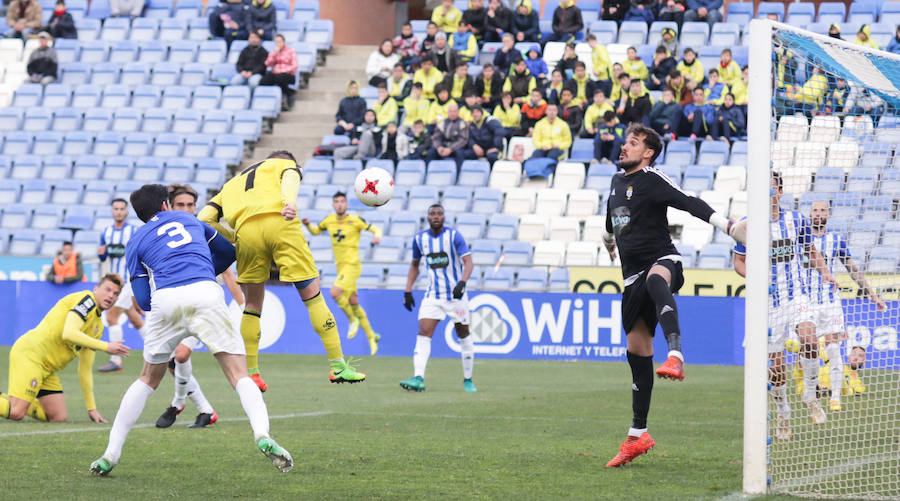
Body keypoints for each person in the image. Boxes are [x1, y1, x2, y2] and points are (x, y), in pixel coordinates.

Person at [90, 184, 292, 476]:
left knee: (147, 379)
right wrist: (200, 269)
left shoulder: (135, 241)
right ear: (165, 205)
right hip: (204, 291)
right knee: (238, 375)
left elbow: (144, 301)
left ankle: (110, 454)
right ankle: (262, 434)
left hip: (167, 300)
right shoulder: (189, 220)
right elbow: (227, 252)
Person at [603, 124, 745, 467]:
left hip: (665, 261)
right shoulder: (616, 183)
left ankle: (677, 354)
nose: (625, 147)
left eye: (633, 143)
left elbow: (687, 201)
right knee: (637, 353)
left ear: (648, 152)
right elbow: (614, 221)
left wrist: (727, 226)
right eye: (626, 141)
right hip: (629, 278)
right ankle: (637, 435)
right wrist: (608, 240)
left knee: (656, 280)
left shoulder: (652, 178)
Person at [198, 151, 366, 390]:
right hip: (280, 223)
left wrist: (235, 236)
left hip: (246, 232)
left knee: (252, 306)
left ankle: (253, 373)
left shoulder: (231, 184)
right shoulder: (285, 164)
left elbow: (204, 218)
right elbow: (289, 176)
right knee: (313, 297)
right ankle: (338, 367)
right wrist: (289, 203)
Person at [732, 172, 835, 440]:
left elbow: (811, 251)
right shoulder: (747, 225)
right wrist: (756, 277)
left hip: (796, 296)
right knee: (776, 368)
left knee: (810, 340)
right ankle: (783, 413)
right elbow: (739, 263)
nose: (769, 193)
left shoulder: (797, 220)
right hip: (768, 304)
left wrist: (825, 272)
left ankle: (811, 395)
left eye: (772, 188)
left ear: (780, 191)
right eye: (763, 188)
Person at [155, 184, 244, 429]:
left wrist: (245, 306)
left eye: (191, 205)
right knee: (172, 362)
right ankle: (205, 411)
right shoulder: (164, 234)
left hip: (205, 307)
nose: (186, 209)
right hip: (176, 305)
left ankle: (177, 403)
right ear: (169, 206)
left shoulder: (201, 231)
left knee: (181, 355)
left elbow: (227, 272)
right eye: (180, 205)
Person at [1, 275, 130, 423]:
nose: (110, 296)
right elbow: (69, 333)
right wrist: (106, 346)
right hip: (31, 355)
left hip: (47, 369)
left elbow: (85, 370)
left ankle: (13, 401)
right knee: (17, 413)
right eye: (107, 290)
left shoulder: (97, 327)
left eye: (115, 294)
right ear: (96, 289)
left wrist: (91, 408)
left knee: (58, 417)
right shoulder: (87, 300)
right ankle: (17, 403)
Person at [801, 201, 885, 412]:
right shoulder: (801, 239)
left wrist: (872, 295)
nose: (818, 214)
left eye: (822, 210)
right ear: (809, 214)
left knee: (833, 349)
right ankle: (811, 389)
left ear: (828, 214)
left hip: (831, 303)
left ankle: (835, 397)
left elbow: (853, 270)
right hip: (806, 302)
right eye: (815, 210)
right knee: (806, 347)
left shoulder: (836, 240)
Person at [400, 204, 476, 393]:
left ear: (444, 217)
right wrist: (408, 290)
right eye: (432, 214)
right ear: (427, 218)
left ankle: (468, 379)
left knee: (463, 334)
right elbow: (414, 266)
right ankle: (418, 378)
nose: (436, 216)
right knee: (423, 332)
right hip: (433, 295)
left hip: (456, 296)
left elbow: (468, 262)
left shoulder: (454, 236)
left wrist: (463, 282)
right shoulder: (420, 239)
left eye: (439, 214)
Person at [303, 193, 383, 355]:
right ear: (333, 205)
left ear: (346, 204)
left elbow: (376, 229)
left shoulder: (355, 220)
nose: (339, 204)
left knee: (334, 292)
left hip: (352, 265)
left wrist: (377, 237)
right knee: (354, 302)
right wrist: (307, 225)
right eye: (337, 202)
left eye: (342, 202)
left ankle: (352, 319)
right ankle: (371, 336)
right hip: (340, 267)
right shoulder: (329, 220)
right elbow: (316, 231)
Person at [97, 198, 143, 373]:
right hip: (114, 282)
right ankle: (163, 354)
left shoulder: (133, 231)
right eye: (116, 208)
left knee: (111, 318)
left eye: (122, 209)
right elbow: (103, 257)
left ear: (126, 212)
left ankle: (116, 360)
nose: (118, 211)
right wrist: (101, 255)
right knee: (135, 319)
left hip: (127, 281)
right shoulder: (106, 232)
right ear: (112, 211)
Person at [259, 34, 298, 110]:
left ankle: (288, 94)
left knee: (279, 78)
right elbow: (267, 64)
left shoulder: (290, 51)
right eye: (276, 42)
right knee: (264, 81)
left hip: (288, 74)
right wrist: (274, 54)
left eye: (279, 42)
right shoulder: (274, 51)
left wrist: (282, 70)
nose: (278, 44)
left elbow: (295, 65)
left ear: (284, 42)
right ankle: (271, 99)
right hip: (275, 73)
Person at [426, 102, 469, 168]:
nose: (452, 113)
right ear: (447, 112)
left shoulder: (462, 123)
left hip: (455, 148)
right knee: (431, 151)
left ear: (458, 112)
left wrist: (450, 149)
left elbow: (463, 140)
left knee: (460, 152)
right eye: (450, 111)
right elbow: (436, 137)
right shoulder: (442, 123)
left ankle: (458, 175)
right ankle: (428, 172)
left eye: (454, 111)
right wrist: (439, 147)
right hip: (443, 147)